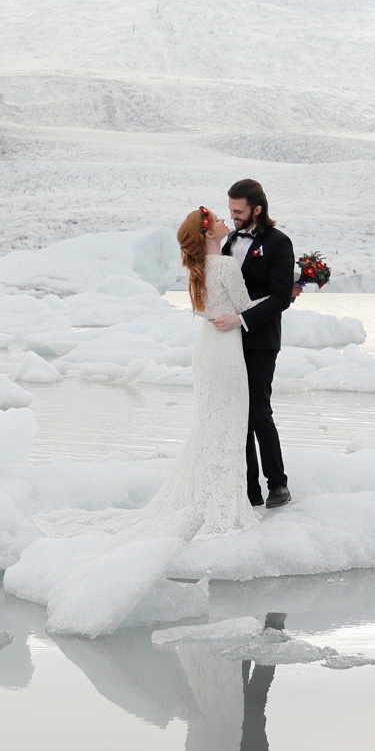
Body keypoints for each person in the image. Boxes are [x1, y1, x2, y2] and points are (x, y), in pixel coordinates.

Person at [136, 207, 260, 536]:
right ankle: (222, 505)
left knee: (209, 425)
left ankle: (204, 498)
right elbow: (245, 308)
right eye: (218, 220)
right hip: (225, 352)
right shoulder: (226, 264)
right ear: (207, 233)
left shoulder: (199, 267)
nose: (223, 222)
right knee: (230, 424)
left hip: (206, 350)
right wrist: (284, 293)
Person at [209, 179, 294, 509]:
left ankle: (278, 485)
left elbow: (281, 297)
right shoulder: (229, 240)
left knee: (259, 410)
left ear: (257, 209)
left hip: (261, 340)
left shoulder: (279, 243)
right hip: (229, 340)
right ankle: (249, 490)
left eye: (239, 211)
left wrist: (242, 320)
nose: (233, 217)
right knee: (236, 413)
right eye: (230, 211)